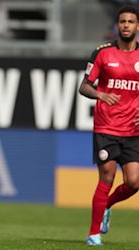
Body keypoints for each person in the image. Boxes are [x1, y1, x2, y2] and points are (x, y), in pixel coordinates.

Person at [79, 4, 139, 246]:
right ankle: (94, 234)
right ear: (117, 25)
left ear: (137, 26)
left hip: (133, 129)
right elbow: (84, 86)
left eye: (130, 22)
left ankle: (108, 206)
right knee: (107, 176)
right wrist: (100, 95)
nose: (126, 25)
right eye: (122, 21)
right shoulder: (102, 53)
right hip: (106, 127)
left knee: (134, 182)